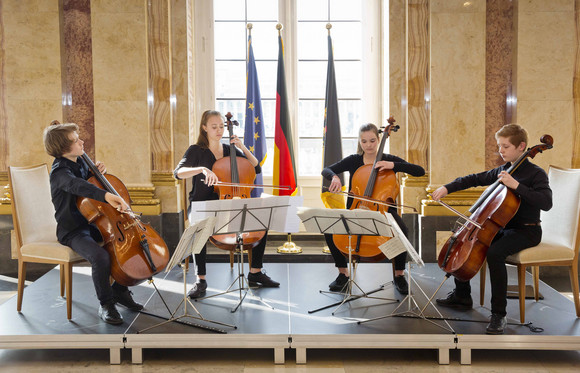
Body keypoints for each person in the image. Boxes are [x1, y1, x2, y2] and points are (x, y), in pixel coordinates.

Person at [431, 124, 552, 335]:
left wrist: (517, 186)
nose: (501, 151)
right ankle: (462, 296)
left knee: (495, 253)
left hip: (527, 231)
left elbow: (546, 202)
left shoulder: (535, 174)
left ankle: (499, 314)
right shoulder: (504, 170)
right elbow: (474, 178)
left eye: (505, 146)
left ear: (521, 146)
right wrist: (447, 187)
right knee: (468, 244)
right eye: (499, 146)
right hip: (503, 229)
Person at [43, 122, 143, 325]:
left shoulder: (80, 162)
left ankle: (119, 291)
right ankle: (106, 304)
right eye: (75, 140)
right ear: (63, 148)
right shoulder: (59, 172)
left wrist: (96, 174)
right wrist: (106, 195)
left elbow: (88, 183)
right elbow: (78, 186)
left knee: (121, 245)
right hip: (73, 231)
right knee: (100, 256)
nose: (82, 141)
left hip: (93, 224)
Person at [174, 110, 279, 299]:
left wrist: (242, 146)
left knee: (260, 220)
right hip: (202, 204)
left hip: (228, 203)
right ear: (204, 128)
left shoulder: (229, 150)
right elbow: (178, 172)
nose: (219, 130)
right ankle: (201, 280)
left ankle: (255, 272)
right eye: (214, 127)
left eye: (222, 126)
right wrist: (203, 169)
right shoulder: (196, 150)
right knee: (199, 225)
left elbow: (256, 167)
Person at [321, 123, 425, 295]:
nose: (368, 145)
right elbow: (327, 169)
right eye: (364, 141)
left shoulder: (388, 159)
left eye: (372, 140)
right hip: (356, 209)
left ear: (378, 139)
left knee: (402, 230)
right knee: (329, 229)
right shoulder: (354, 160)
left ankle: (399, 275)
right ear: (360, 142)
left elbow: (419, 171)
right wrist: (334, 178)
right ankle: (343, 274)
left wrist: (393, 165)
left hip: (383, 211)